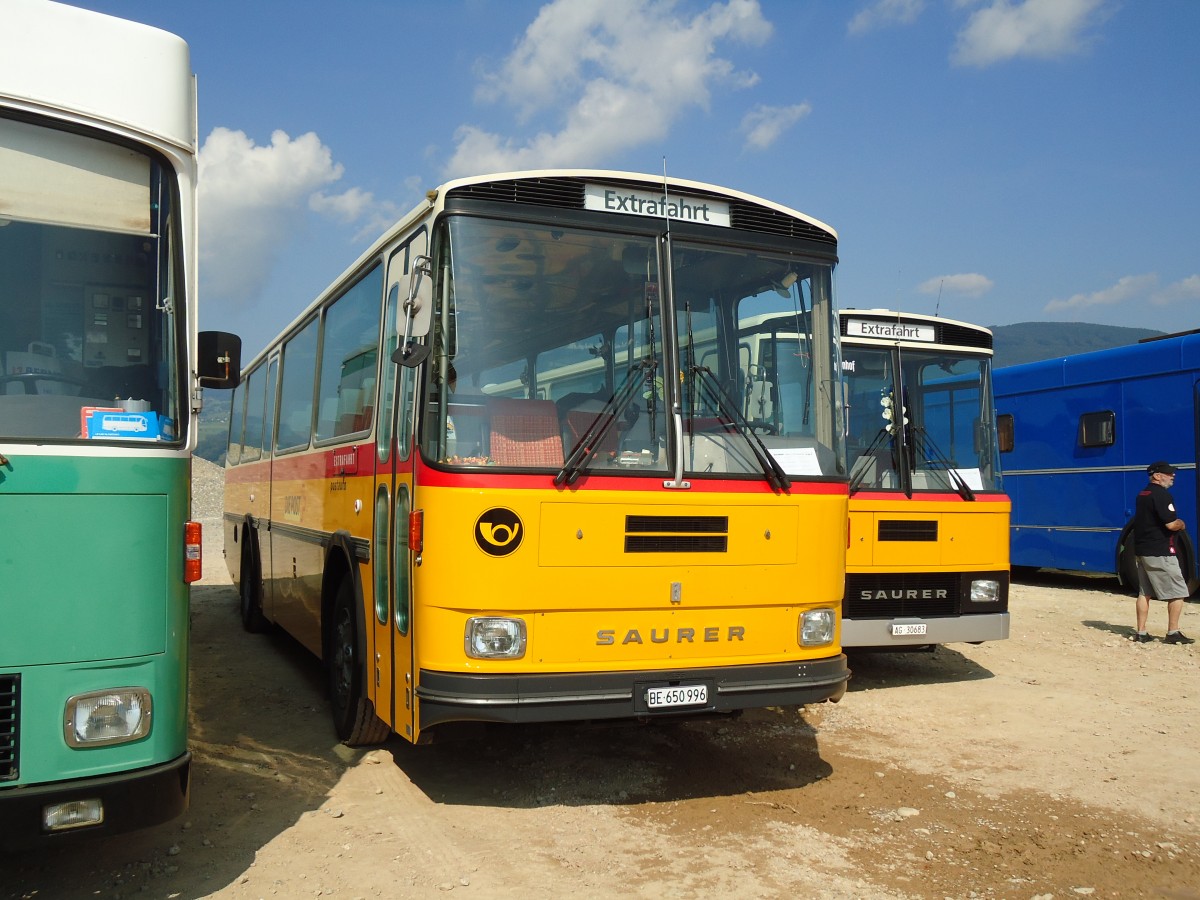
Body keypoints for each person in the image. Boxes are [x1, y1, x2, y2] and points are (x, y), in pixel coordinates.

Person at [1131, 461, 1194, 644]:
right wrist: (1181, 523)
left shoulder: (1142, 494)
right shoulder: (1162, 495)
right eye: (1169, 473)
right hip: (1161, 552)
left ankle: (1141, 633)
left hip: (1142, 550)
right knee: (1178, 592)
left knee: (1145, 593)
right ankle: (1173, 633)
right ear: (1157, 476)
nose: (1172, 476)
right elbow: (1171, 524)